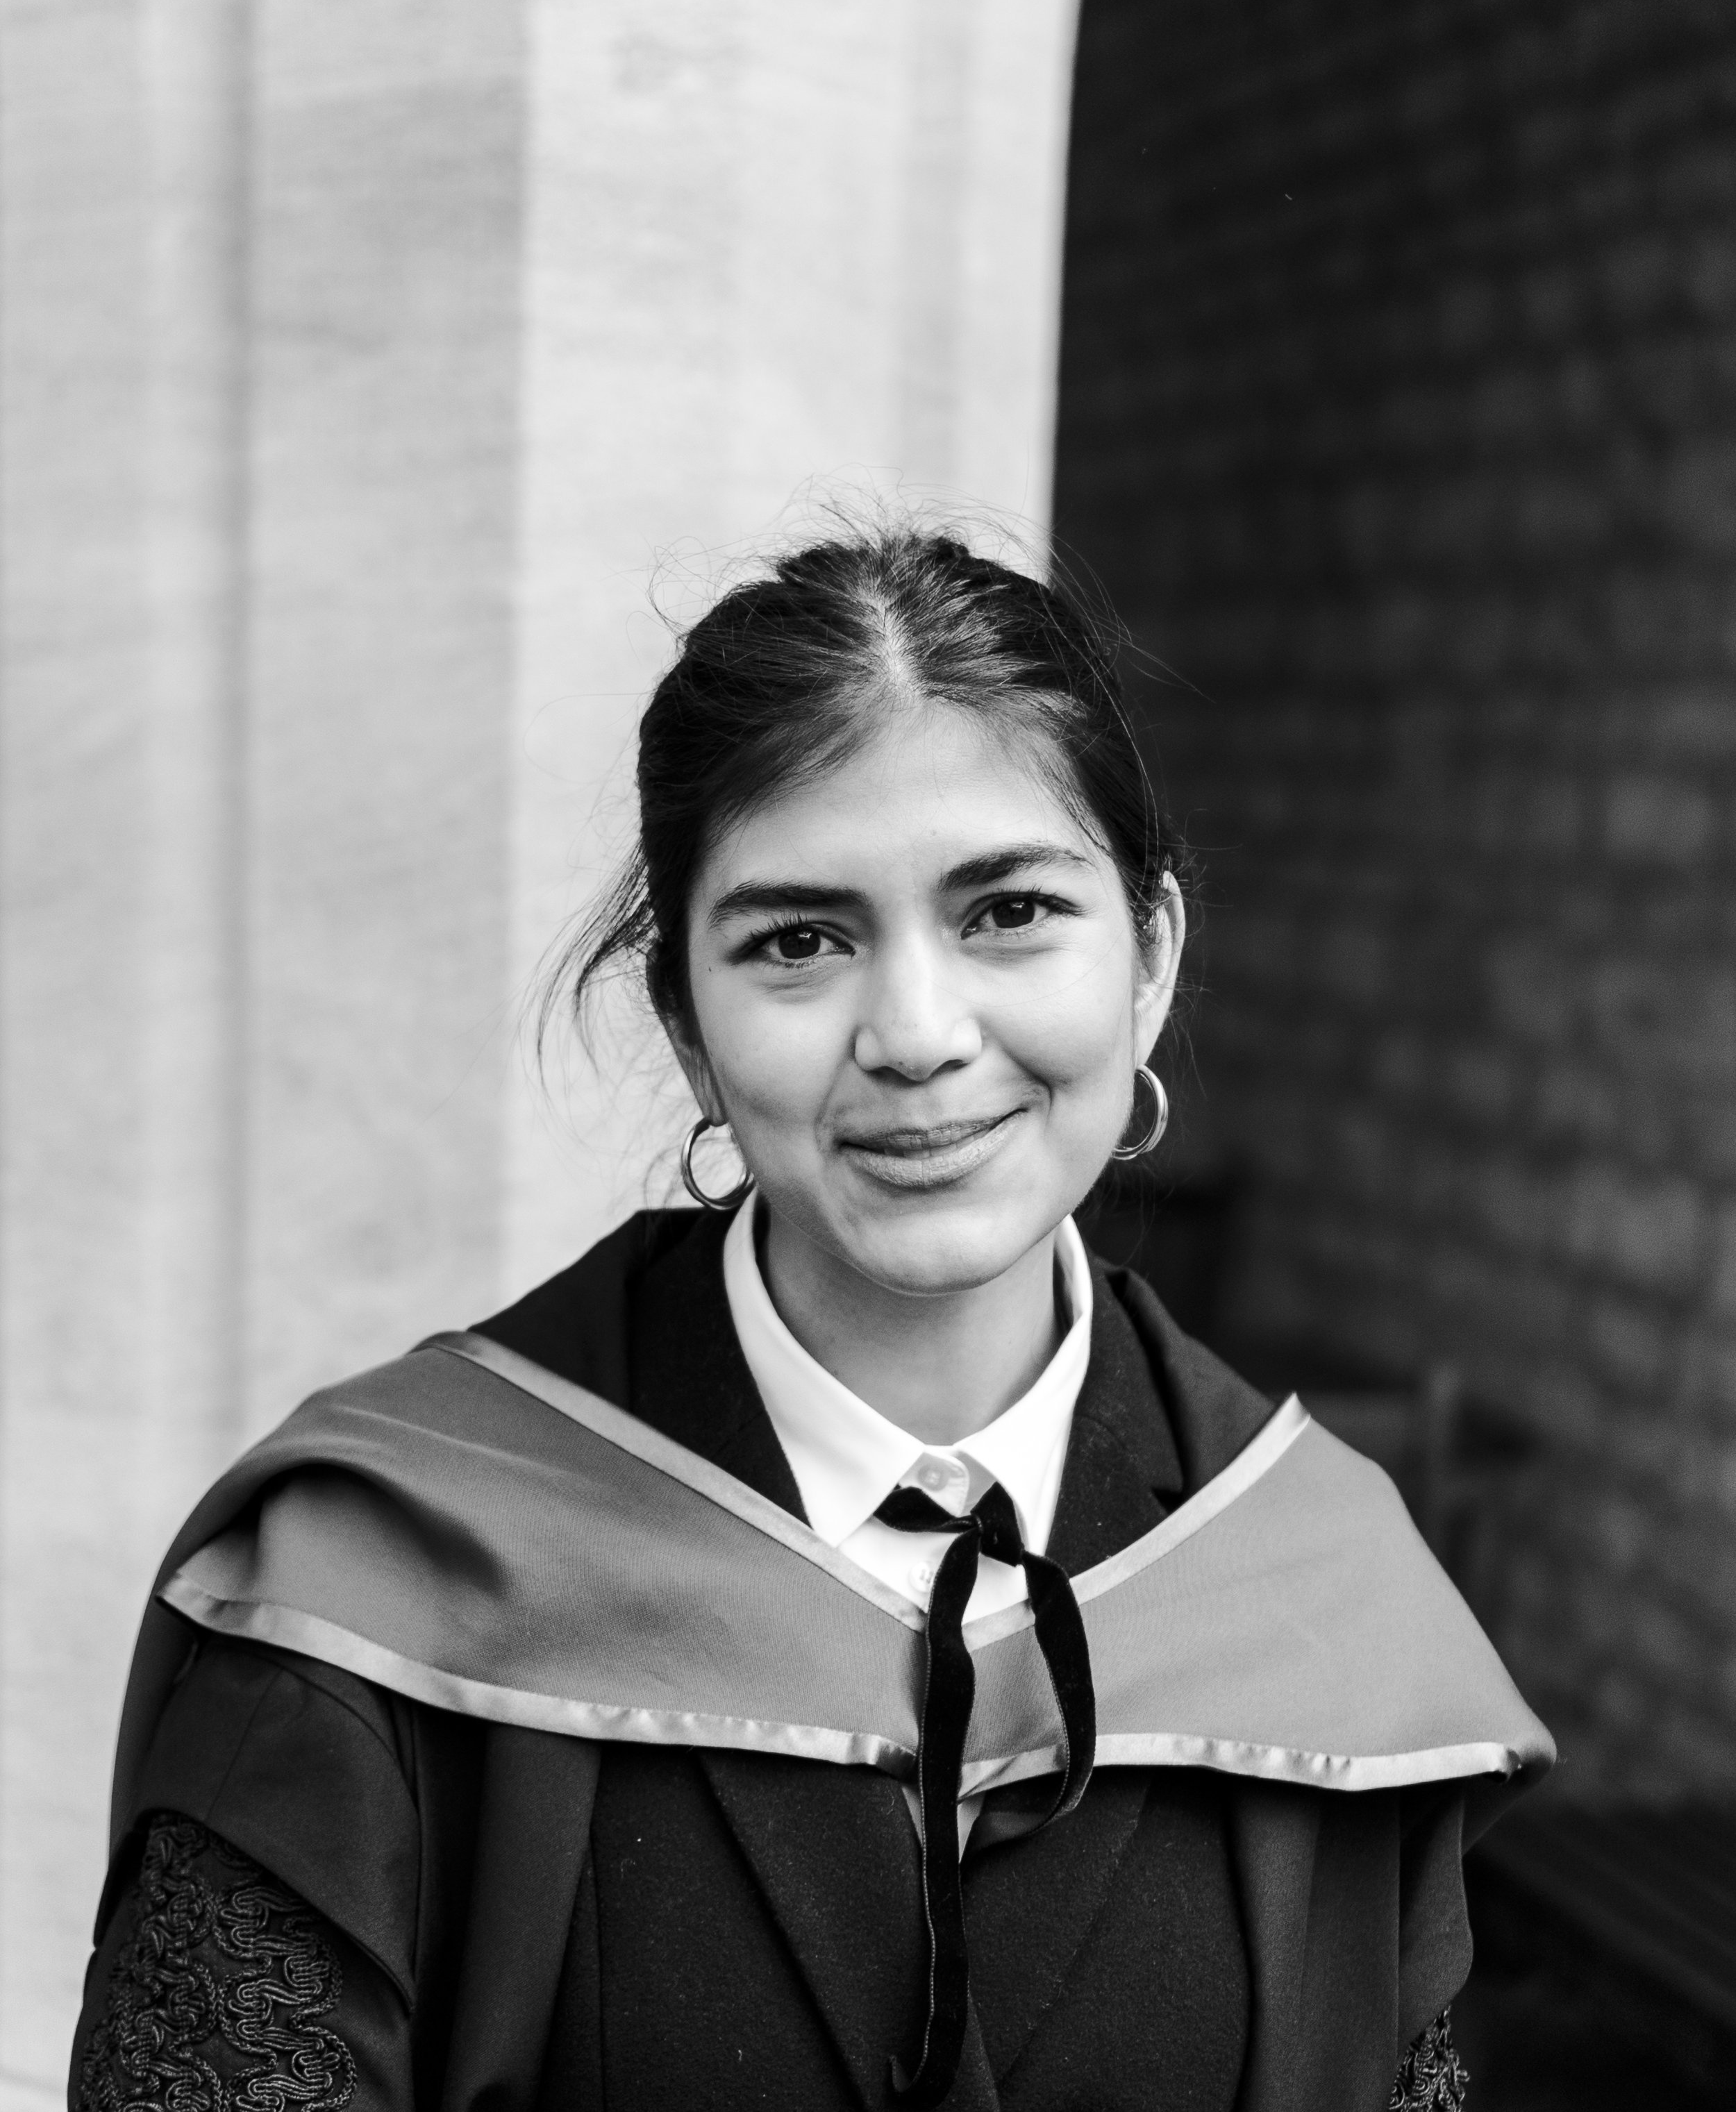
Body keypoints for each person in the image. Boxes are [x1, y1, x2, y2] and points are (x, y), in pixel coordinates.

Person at [73, 526, 1550, 2112]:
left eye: (1009, 914)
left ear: (1149, 964)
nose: (915, 1035)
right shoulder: (375, 1594)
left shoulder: (1327, 1617)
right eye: (798, 941)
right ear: (690, 1034)